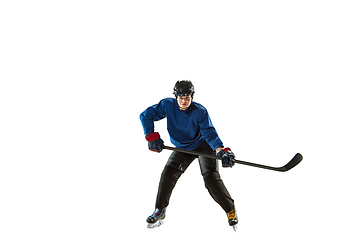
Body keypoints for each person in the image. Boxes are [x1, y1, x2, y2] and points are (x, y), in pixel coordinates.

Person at [139, 80, 238, 228]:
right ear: (175, 96)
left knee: (210, 178)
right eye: (181, 97)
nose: (184, 101)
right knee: (167, 175)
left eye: (187, 97)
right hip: (183, 148)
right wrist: (151, 136)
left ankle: (230, 210)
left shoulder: (200, 111)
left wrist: (220, 151)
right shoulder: (167, 105)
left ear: (192, 96)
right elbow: (145, 115)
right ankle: (160, 209)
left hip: (203, 146)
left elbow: (209, 132)